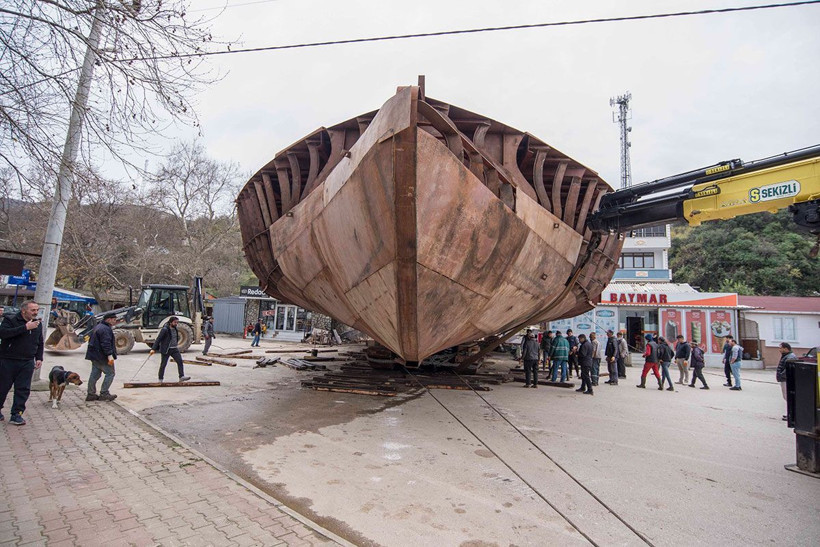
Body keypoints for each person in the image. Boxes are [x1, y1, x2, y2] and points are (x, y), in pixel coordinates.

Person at [0, 301, 43, 426]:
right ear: (24, 310)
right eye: (33, 310)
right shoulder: (10, 320)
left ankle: (16, 414)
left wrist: (39, 357)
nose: (35, 313)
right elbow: (3, 334)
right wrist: (25, 328)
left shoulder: (37, 324)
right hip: (8, 360)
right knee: (3, 387)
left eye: (37, 310)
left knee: (23, 389)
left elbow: (39, 342)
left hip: (27, 361)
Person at [85, 312, 118, 402]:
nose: (115, 321)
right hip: (102, 356)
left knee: (94, 374)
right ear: (108, 320)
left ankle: (91, 394)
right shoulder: (105, 329)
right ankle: (104, 393)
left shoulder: (98, 327)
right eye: (114, 320)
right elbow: (106, 343)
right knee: (110, 373)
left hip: (94, 355)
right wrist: (110, 355)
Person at [151, 316, 190, 383]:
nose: (176, 324)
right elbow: (158, 339)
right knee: (163, 364)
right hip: (166, 349)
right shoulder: (165, 329)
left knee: (180, 361)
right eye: (175, 322)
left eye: (177, 322)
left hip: (174, 349)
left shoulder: (175, 329)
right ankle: (160, 379)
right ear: (171, 322)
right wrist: (153, 349)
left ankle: (181, 377)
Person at [776, 342, 796, 420]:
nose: (779, 350)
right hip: (785, 379)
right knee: (786, 397)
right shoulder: (787, 356)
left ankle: (791, 415)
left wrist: (781, 375)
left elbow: (787, 370)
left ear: (786, 348)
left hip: (786, 380)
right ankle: (789, 413)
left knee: (788, 397)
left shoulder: (790, 357)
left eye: (781, 348)